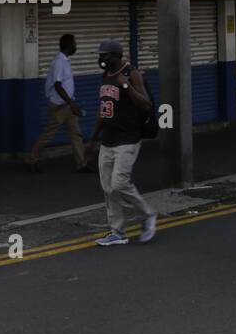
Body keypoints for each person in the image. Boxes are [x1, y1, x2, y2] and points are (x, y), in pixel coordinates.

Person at [86, 39, 156, 246]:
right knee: (108, 188)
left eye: (104, 55)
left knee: (119, 183)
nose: (101, 59)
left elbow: (146, 104)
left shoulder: (131, 73)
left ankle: (148, 214)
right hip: (108, 140)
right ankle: (117, 232)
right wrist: (92, 140)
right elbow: (104, 109)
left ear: (116, 55)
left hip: (128, 139)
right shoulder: (105, 75)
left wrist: (125, 85)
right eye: (100, 55)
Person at [26, 34, 90, 173]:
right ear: (68, 45)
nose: (75, 46)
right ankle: (31, 159)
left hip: (67, 104)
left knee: (75, 134)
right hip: (61, 105)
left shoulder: (65, 61)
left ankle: (82, 164)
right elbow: (58, 85)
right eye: (74, 43)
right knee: (49, 133)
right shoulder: (59, 62)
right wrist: (71, 103)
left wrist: (71, 103)